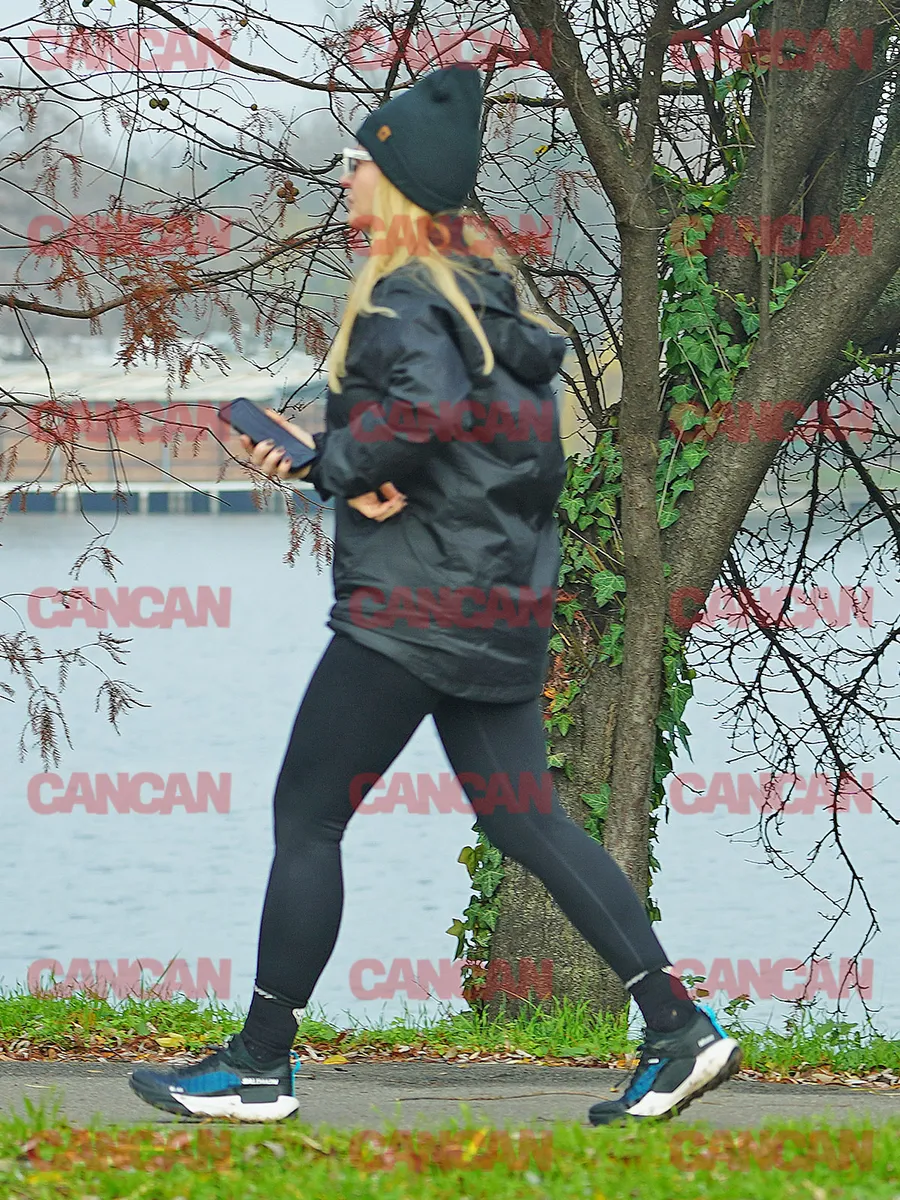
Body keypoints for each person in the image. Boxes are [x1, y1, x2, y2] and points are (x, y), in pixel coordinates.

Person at [129, 65, 740, 1126]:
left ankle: (259, 1066)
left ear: (399, 182)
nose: (346, 177)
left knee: (307, 815)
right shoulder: (487, 306)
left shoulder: (405, 295)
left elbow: (422, 415)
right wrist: (359, 469)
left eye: (359, 162)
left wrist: (336, 461)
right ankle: (679, 1028)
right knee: (525, 818)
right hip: (494, 608)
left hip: (411, 614)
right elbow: (499, 460)